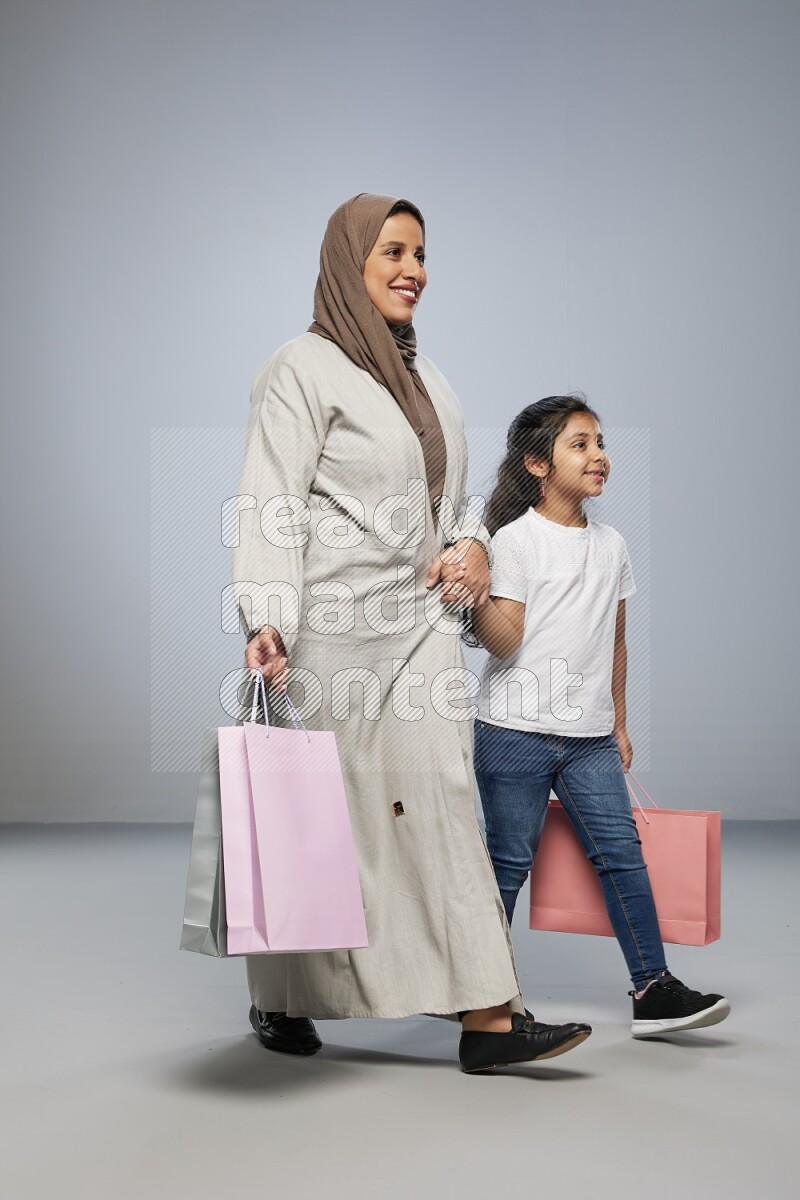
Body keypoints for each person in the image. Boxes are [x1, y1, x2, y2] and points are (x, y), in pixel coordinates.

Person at [231, 195, 591, 1072]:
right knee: (320, 821)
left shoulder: (429, 379)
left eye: (422, 253)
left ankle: (487, 1017)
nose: (412, 269)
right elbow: (272, 500)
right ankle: (281, 997)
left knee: (440, 805)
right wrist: (267, 616)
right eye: (391, 251)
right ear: (349, 262)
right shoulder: (301, 368)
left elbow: (454, 496)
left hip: (421, 626)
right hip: (328, 637)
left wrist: (471, 539)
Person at [470, 396, 731, 1038]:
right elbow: (505, 643)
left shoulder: (612, 545)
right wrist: (473, 601)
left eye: (599, 442)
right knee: (507, 862)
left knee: (620, 854)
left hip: (588, 738)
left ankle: (654, 990)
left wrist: (618, 720)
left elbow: (613, 639)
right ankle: (482, 996)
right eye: (578, 444)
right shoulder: (514, 540)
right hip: (515, 731)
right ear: (538, 463)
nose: (598, 456)